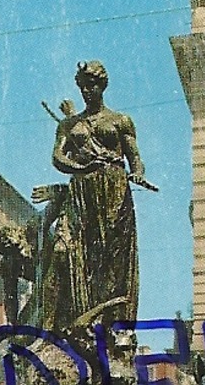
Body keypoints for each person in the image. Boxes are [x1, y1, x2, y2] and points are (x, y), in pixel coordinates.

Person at [51, 60, 150, 326]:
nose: (87, 91)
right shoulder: (69, 125)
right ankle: (84, 314)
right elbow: (57, 157)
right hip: (83, 191)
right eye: (83, 86)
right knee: (83, 250)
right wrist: (81, 167)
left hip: (115, 189)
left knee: (115, 250)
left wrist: (138, 172)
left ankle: (115, 318)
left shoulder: (120, 120)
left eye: (92, 85)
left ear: (102, 85)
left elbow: (135, 158)